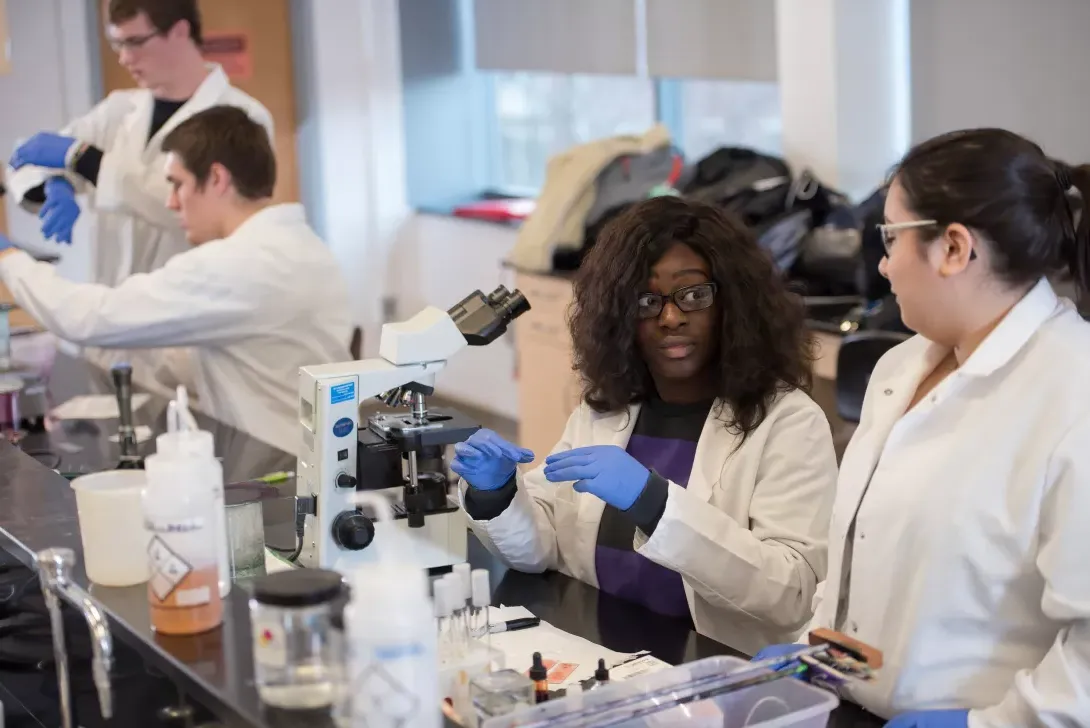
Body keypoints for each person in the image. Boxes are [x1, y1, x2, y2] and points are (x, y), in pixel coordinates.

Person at [755, 129, 1090, 728]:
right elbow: (877, 565)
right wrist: (823, 657)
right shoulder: (903, 366)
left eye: (890, 236)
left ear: (954, 248)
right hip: (852, 706)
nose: (881, 264)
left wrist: (980, 726)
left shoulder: (1073, 393)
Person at [452, 196, 838, 655]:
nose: (670, 317)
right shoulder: (606, 412)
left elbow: (791, 593)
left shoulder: (787, 422)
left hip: (711, 669)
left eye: (693, 295)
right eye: (646, 300)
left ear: (734, 302)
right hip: (601, 655)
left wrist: (654, 504)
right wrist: (497, 494)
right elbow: (542, 551)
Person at [0, 106, 352, 456]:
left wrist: (9, 258)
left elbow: (85, 317)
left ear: (216, 178)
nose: (170, 203)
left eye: (177, 184)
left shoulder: (241, 263)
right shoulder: (302, 246)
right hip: (306, 452)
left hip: (280, 467)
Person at [5, 0, 272, 286]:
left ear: (180, 31)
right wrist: (57, 183)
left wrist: (85, 160)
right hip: (113, 302)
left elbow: (188, 204)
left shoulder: (244, 116)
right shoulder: (117, 110)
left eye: (135, 42)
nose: (124, 58)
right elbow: (25, 161)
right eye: (117, 44)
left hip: (193, 307)